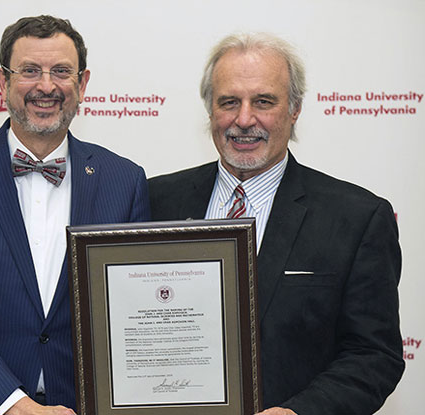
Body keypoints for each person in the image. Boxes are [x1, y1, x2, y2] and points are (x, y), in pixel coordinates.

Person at [149, 34, 404, 415]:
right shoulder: (155, 202)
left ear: (295, 108)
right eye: (229, 102)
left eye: (264, 102)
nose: (245, 119)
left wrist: (299, 412)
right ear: (209, 110)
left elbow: (373, 355)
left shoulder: (357, 218)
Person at [0, 15, 149, 415]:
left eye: (61, 71)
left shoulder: (124, 180)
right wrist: (12, 404)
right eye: (29, 71)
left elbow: (134, 314)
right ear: (3, 81)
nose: (46, 86)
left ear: (83, 83)